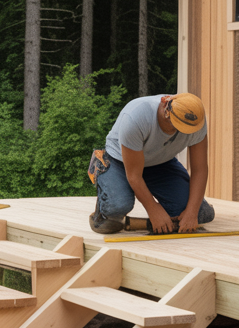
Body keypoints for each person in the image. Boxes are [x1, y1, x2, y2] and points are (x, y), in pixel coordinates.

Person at [88, 93, 215, 235]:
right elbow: (134, 175)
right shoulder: (136, 117)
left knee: (201, 213)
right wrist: (153, 209)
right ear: (165, 108)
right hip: (121, 162)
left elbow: (200, 169)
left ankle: (183, 209)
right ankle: (104, 206)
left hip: (160, 163)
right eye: (176, 125)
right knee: (117, 206)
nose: (179, 132)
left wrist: (191, 212)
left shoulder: (196, 121)